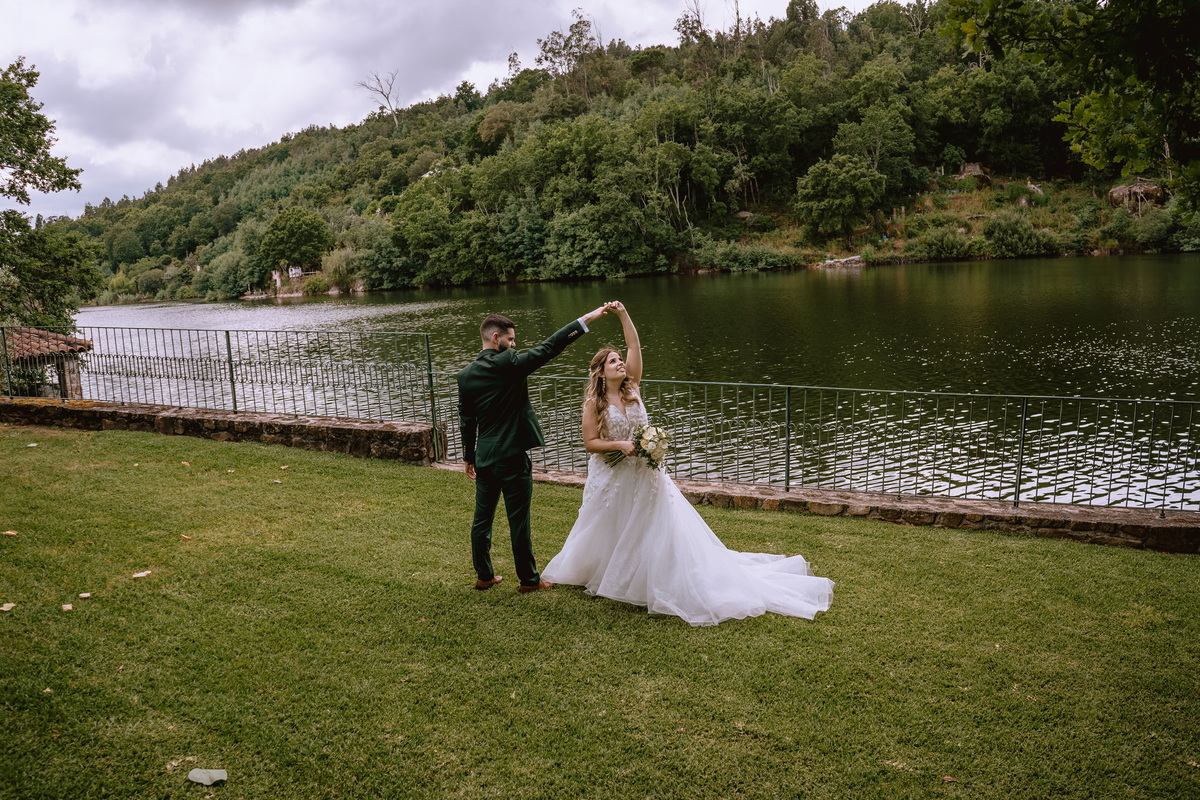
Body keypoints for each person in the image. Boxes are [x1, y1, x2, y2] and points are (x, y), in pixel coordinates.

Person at [542, 302, 834, 625]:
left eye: (620, 359)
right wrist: (619, 445)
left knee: (654, 525)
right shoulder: (593, 403)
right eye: (613, 361)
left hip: (646, 473)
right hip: (612, 474)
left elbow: (634, 345)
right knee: (607, 523)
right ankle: (600, 570)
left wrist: (623, 314)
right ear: (600, 371)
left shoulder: (632, 387)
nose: (621, 362)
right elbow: (590, 443)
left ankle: (655, 574)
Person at [458, 305, 613, 593]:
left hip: (485, 457)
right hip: (513, 457)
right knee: (518, 521)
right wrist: (585, 320)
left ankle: (484, 575)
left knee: (481, 521)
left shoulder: (465, 375)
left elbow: (467, 420)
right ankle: (529, 580)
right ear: (495, 338)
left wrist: (469, 457)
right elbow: (549, 347)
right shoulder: (510, 363)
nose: (513, 345)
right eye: (510, 339)